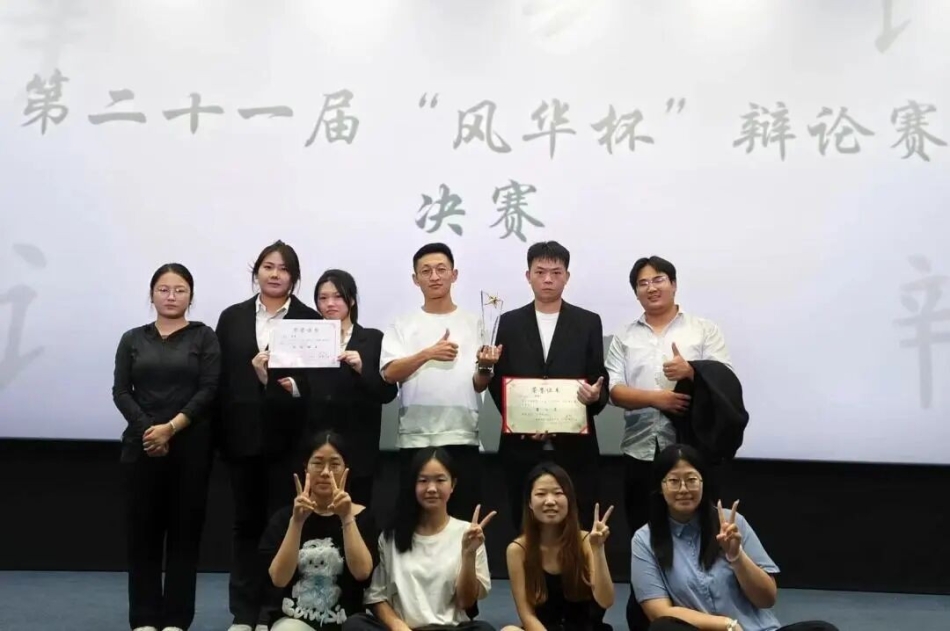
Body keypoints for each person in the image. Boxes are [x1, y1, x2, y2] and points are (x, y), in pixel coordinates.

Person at [605, 256, 732, 631]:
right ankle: (647, 618)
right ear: (636, 292)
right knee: (644, 536)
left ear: (673, 284)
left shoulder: (703, 330)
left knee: (702, 537)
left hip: (694, 456)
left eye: (658, 279)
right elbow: (614, 391)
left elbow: (726, 381)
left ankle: (703, 615)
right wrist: (657, 399)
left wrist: (692, 371)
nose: (652, 288)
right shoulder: (625, 336)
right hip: (640, 452)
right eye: (643, 283)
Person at [215, 240, 322, 631]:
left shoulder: (310, 320)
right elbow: (221, 381)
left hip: (291, 442)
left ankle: (273, 612)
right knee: (245, 527)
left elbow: (317, 385)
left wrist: (280, 383)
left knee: (284, 527)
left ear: (294, 277)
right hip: (242, 439)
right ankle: (243, 613)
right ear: (256, 272)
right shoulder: (233, 318)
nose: (275, 274)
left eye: (284, 269)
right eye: (268, 267)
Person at [112, 263, 221, 631]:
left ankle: (176, 619)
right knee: (142, 536)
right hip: (141, 448)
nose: (171, 296)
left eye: (179, 290)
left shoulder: (204, 337)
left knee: (184, 537)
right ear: (152, 294)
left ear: (191, 296)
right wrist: (149, 431)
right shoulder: (132, 339)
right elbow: (121, 391)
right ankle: (144, 618)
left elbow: (209, 389)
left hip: (190, 449)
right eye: (163, 289)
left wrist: (171, 428)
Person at [630, 445, 839, 631]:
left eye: (691, 480)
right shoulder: (645, 539)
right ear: (660, 487)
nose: (684, 489)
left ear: (703, 483)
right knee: (663, 628)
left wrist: (737, 556)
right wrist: (727, 625)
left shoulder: (733, 523)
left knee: (823, 629)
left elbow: (767, 599)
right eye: (674, 481)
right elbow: (659, 612)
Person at [484, 241, 609, 530]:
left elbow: (598, 379)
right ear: (528, 276)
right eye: (540, 272)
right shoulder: (508, 322)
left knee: (577, 525)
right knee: (524, 524)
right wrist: (522, 421)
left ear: (567, 276)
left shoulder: (588, 322)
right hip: (521, 446)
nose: (548, 279)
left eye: (556, 272)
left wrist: (594, 396)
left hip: (575, 448)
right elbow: (498, 382)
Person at [380, 243, 484, 520]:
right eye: (426, 271)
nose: (434, 276)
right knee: (415, 520)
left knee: (464, 520)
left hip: (462, 433)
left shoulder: (474, 322)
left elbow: (480, 383)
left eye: (441, 269)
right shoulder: (402, 324)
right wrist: (428, 354)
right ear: (416, 279)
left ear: (454, 274)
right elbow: (389, 373)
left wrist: (487, 365)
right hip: (416, 436)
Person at [343, 447, 496, 631]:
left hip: (449, 629)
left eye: (440, 480)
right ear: (413, 485)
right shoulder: (392, 536)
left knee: (484, 629)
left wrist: (468, 553)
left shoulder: (469, 533)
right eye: (423, 481)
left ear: (453, 485)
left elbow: (466, 602)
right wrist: (398, 626)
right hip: (403, 629)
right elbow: (376, 597)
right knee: (355, 624)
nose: (431, 488)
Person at [287, 269, 396, 507]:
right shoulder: (307, 339)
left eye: (337, 296)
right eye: (323, 298)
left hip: (359, 449)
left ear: (352, 300)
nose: (330, 303)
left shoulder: (373, 339)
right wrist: (290, 385)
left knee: (357, 514)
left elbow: (388, 393)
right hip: (316, 445)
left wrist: (362, 368)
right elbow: (303, 387)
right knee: (314, 512)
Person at [259, 430, 379, 631]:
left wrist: (346, 517)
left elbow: (362, 573)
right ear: (306, 468)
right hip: (296, 621)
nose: (325, 472)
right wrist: (297, 523)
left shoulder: (362, 517)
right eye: (317, 463)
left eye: (334, 464)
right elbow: (278, 579)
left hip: (346, 624)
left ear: (346, 469)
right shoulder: (285, 518)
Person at [504, 463, 615, 631]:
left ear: (569, 500)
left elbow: (606, 601)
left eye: (558, 493)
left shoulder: (587, 541)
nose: (550, 501)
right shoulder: (518, 550)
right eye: (541, 494)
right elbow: (527, 615)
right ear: (530, 503)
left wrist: (598, 550)